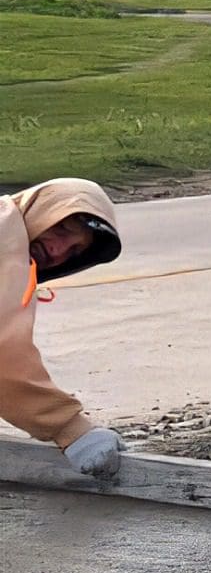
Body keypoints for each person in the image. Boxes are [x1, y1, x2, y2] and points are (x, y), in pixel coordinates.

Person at [3, 180, 126, 481]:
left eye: (74, 251)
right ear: (42, 208)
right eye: (60, 230)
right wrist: (70, 429)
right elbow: (4, 354)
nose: (58, 251)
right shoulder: (6, 241)